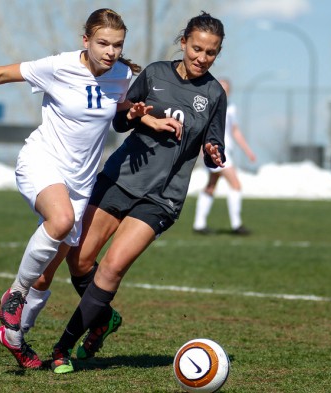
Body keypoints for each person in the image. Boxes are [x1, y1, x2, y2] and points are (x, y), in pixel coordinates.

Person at [0, 8, 142, 371]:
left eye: (117, 45)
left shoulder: (121, 75)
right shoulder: (58, 66)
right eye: (102, 43)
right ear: (85, 40)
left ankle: (15, 335)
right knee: (61, 219)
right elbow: (2, 73)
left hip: (80, 182)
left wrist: (139, 114)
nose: (110, 51)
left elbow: (119, 108)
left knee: (45, 273)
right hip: (42, 162)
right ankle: (15, 296)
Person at [45, 11, 227, 374]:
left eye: (211, 53)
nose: (201, 58)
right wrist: (133, 115)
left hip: (161, 197)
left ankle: (62, 348)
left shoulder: (214, 94)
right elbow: (119, 118)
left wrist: (213, 152)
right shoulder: (155, 73)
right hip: (119, 179)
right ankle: (103, 320)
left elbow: (213, 142)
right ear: (183, 43)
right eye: (196, 49)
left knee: (110, 269)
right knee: (79, 262)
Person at [192, 78, 256, 235]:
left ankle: (199, 224)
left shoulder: (231, 107)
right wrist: (202, 148)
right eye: (220, 86)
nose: (223, 90)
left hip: (226, 151)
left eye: (226, 88)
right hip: (216, 151)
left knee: (211, 185)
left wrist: (247, 150)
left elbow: (234, 130)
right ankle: (237, 225)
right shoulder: (207, 104)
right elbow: (200, 128)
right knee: (235, 184)